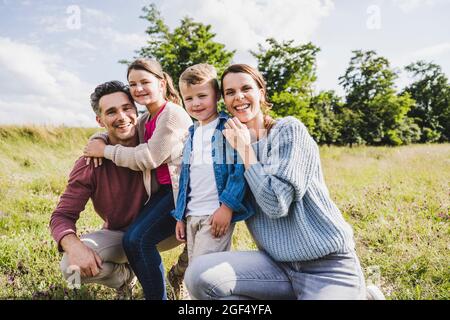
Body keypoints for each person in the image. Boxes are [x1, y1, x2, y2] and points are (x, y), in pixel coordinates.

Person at [184, 64, 373, 300]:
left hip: (326, 266)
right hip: (275, 266)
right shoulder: (228, 145)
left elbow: (275, 204)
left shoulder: (288, 131)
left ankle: (363, 295)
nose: (239, 97)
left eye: (246, 88)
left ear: (261, 92)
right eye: (230, 92)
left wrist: (245, 149)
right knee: (198, 276)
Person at [50, 81, 178, 299]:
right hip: (121, 235)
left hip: (168, 231)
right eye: (111, 112)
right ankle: (125, 277)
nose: (122, 116)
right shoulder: (91, 163)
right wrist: (74, 246)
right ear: (99, 120)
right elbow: (62, 215)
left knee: (203, 215)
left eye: (127, 108)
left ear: (136, 110)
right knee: (71, 270)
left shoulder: (154, 144)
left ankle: (181, 273)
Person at [83, 59, 192, 300]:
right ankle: (148, 284)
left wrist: (105, 152)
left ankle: (168, 285)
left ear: (161, 83)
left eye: (145, 82)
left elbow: (149, 158)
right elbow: (121, 132)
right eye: (133, 84)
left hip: (184, 191)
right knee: (135, 239)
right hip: (164, 192)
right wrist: (100, 138)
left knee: (138, 240)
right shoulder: (146, 119)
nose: (138, 88)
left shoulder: (172, 115)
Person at [171, 64, 254, 268]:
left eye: (202, 96)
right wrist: (180, 216)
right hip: (192, 213)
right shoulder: (191, 133)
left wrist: (227, 207)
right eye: (189, 99)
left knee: (204, 271)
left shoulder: (227, 128)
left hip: (215, 214)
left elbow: (239, 171)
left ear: (216, 95)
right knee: (194, 269)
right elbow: (185, 179)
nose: (196, 103)